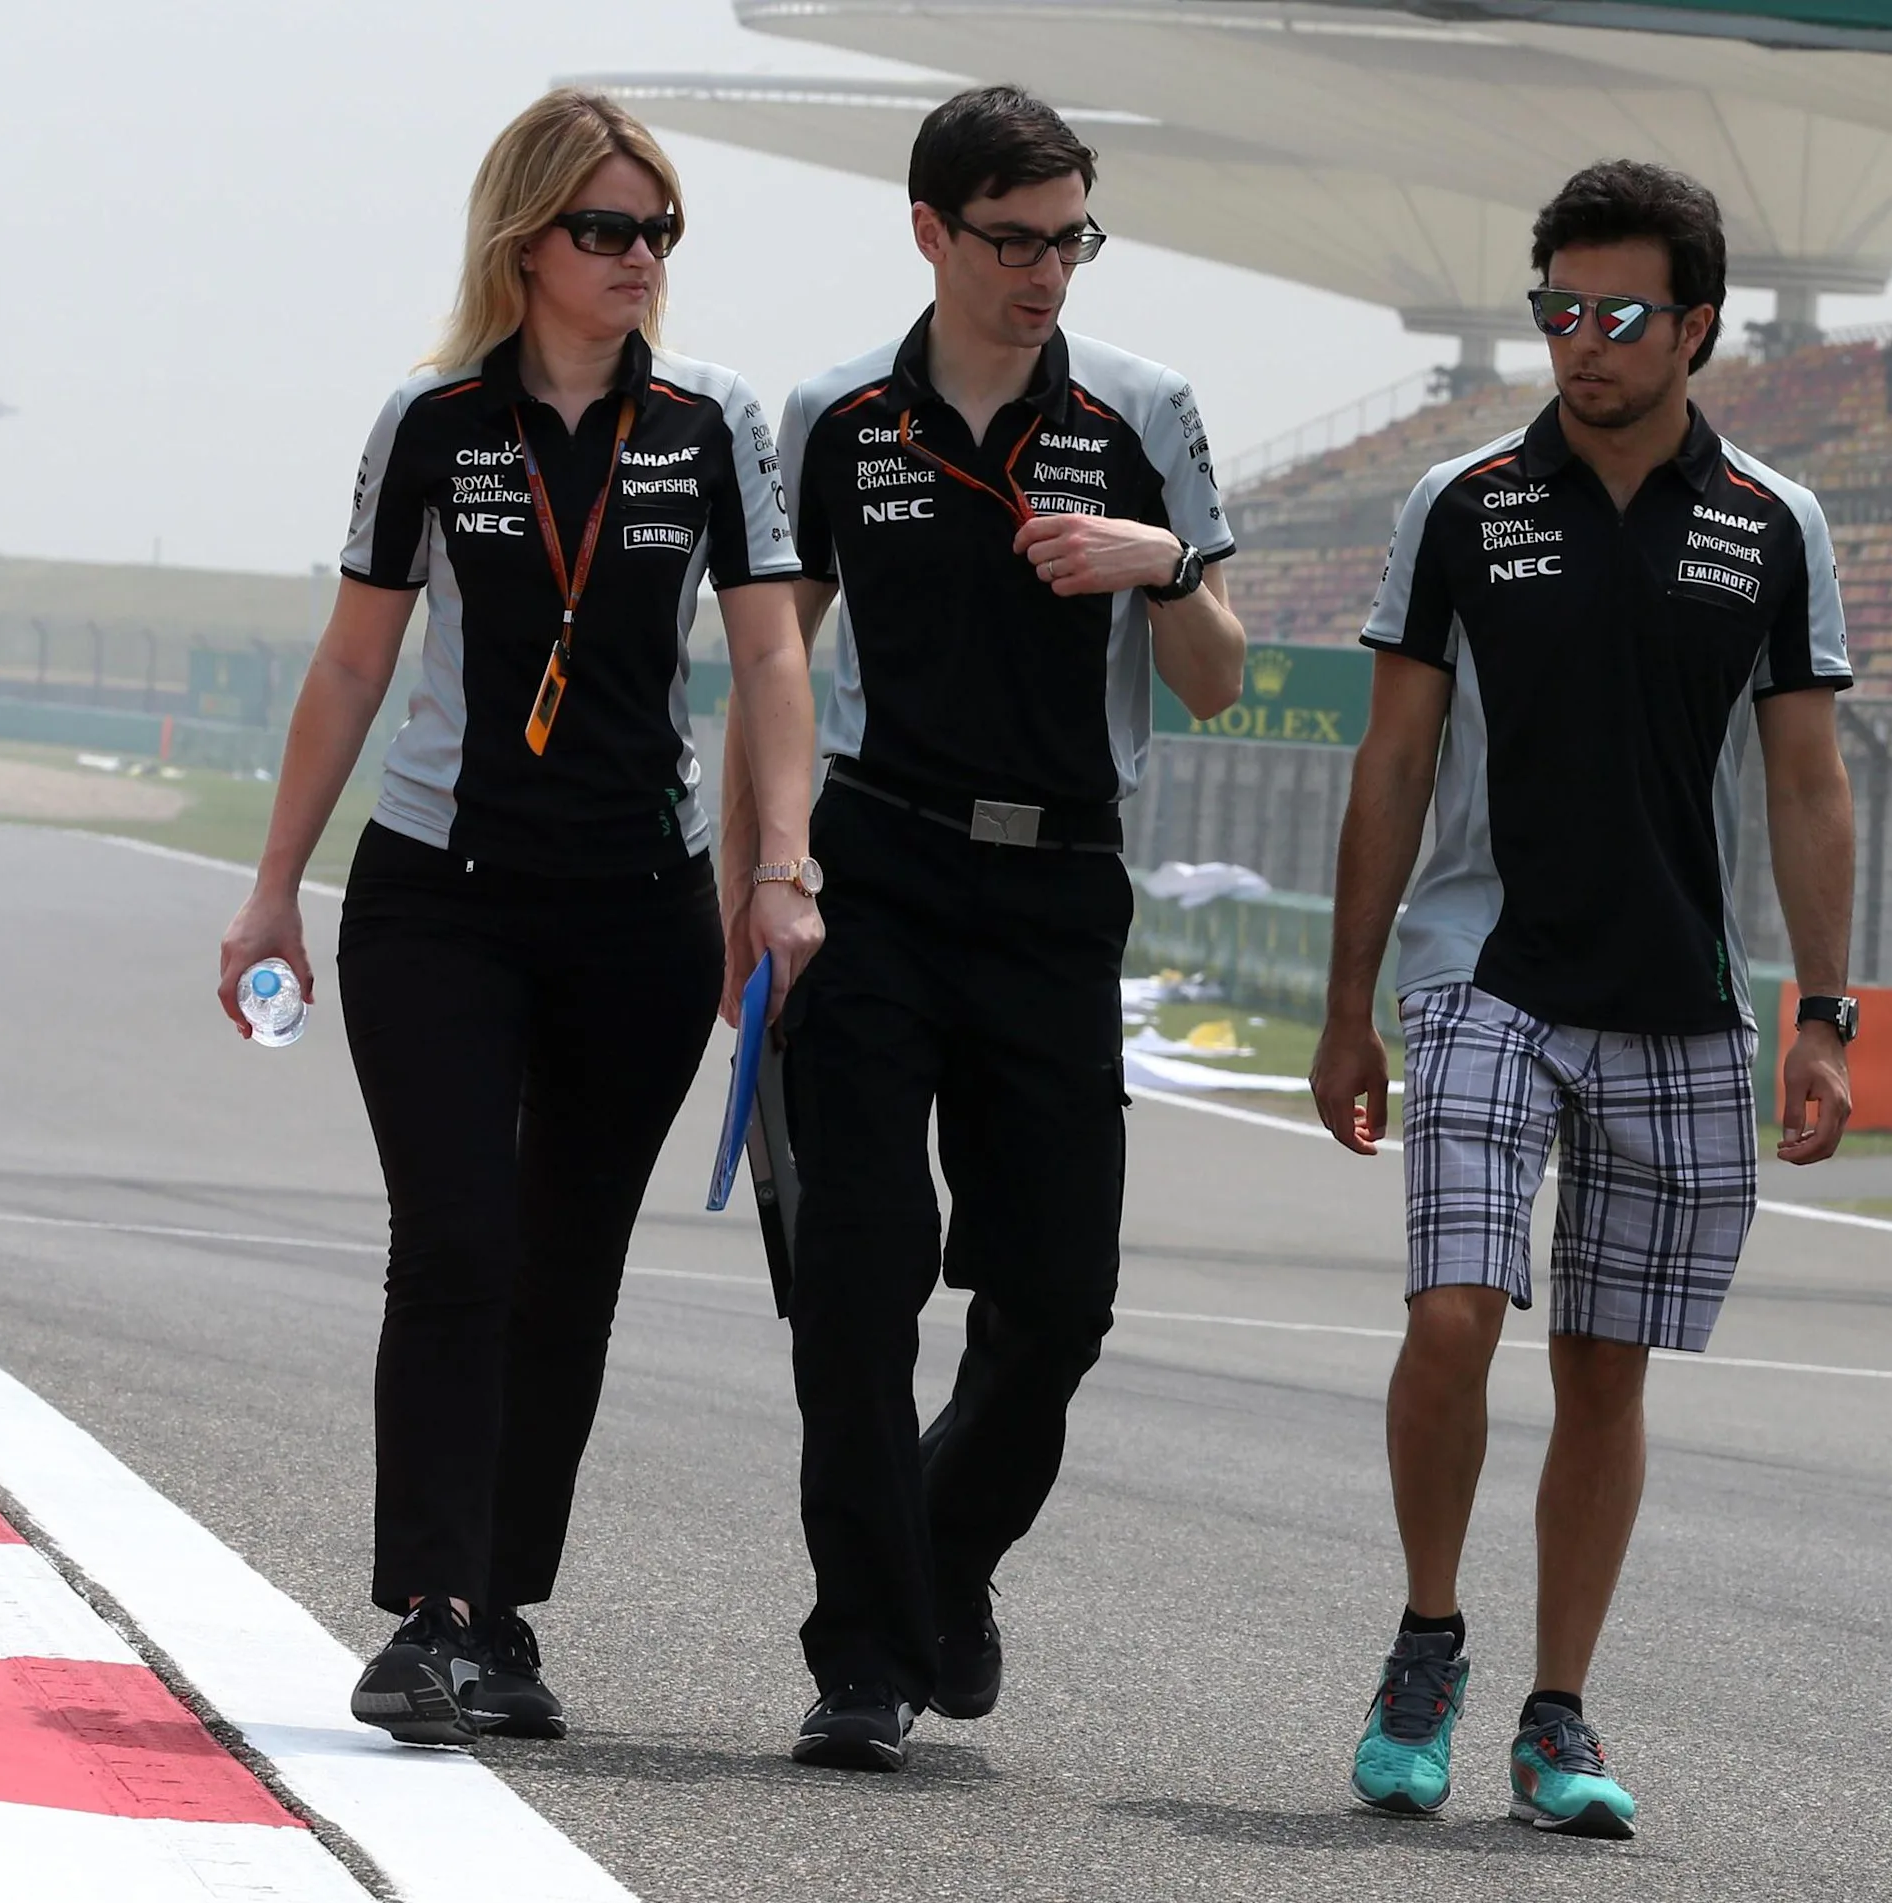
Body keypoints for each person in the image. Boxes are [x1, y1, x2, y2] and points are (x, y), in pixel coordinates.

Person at [215, 89, 824, 1745]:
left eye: (660, 231)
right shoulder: (434, 420)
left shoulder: (710, 427)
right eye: (607, 230)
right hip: (440, 895)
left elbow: (772, 653)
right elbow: (352, 661)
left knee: (568, 1266)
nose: (640, 260)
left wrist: (779, 872)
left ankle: (505, 1615)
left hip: (638, 906)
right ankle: (425, 1608)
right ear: (526, 242)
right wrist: (273, 886)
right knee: (462, 1236)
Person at [1311, 159, 1860, 1840]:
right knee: (1454, 1313)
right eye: (1556, 310)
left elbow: (1810, 788)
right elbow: (1393, 762)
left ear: (1699, 326)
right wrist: (1349, 1005)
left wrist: (1825, 1014)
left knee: (1607, 1371)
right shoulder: (1463, 502)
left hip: (1679, 1000)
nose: (1582, 342)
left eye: (1619, 314)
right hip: (1483, 969)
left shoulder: (1774, 520)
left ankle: (1555, 1718)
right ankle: (1425, 1647)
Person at [737, 83, 1243, 1772]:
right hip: (875, 873)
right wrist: (772, 869)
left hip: (1057, 889)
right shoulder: (836, 413)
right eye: (1014, 241)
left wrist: (1158, 566)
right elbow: (773, 658)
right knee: (860, 1290)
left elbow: (1222, 678)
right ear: (931, 232)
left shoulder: (1143, 407)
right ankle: (864, 1653)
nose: (1046, 274)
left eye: (1071, 239)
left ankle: (945, 1554)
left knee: (1060, 1299)